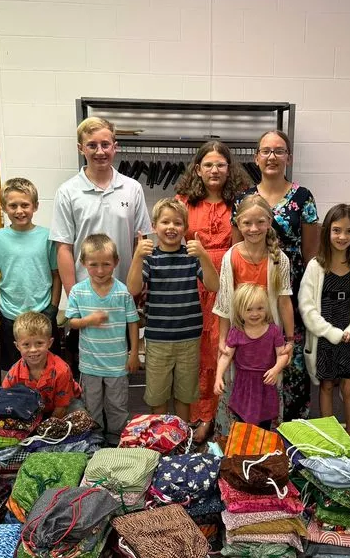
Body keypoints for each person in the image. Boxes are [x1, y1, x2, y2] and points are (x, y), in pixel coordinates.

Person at [51, 117, 151, 373]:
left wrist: (141, 285)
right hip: (87, 294)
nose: (99, 151)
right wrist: (75, 293)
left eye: (105, 144)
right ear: (80, 148)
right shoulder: (68, 191)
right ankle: (91, 412)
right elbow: (63, 247)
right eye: (92, 145)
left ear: (115, 147)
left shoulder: (133, 188)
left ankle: (121, 413)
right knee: (90, 365)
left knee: (123, 363)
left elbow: (142, 242)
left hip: (124, 293)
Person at [233, 130, 318, 423]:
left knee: (288, 361)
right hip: (251, 296)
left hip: (288, 294)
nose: (272, 157)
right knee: (253, 361)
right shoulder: (243, 198)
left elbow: (310, 255)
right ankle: (255, 426)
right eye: (266, 151)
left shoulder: (303, 197)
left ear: (288, 158)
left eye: (278, 151)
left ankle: (291, 429)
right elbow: (237, 251)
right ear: (256, 157)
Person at [175, 140, 252, 443]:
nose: (214, 170)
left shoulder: (240, 202)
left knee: (222, 349)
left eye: (221, 164)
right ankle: (198, 416)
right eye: (208, 164)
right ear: (198, 169)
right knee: (196, 352)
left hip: (230, 281)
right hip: (193, 284)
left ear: (229, 169)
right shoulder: (183, 202)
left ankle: (220, 417)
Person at [126, 198, 219, 421]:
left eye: (177, 223)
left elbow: (214, 286)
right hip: (158, 340)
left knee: (184, 396)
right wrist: (138, 256)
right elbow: (132, 288)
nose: (171, 227)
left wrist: (204, 255)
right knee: (157, 397)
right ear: (155, 227)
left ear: (185, 228)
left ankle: (182, 440)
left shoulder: (191, 257)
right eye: (165, 222)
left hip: (189, 339)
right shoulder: (150, 259)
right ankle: (162, 438)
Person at [213, 194, 293, 437]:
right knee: (237, 388)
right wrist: (222, 340)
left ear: (269, 222)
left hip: (269, 339)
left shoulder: (279, 259)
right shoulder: (231, 257)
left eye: (260, 222)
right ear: (238, 224)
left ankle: (266, 440)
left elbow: (284, 301)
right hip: (240, 338)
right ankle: (235, 441)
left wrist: (290, 339)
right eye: (247, 223)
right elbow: (225, 302)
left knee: (268, 386)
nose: (253, 228)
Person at [299, 205, 350, 435]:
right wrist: (330, 332)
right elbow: (307, 307)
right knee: (326, 385)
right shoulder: (316, 266)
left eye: (349, 231)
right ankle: (329, 434)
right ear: (327, 232)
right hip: (325, 337)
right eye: (336, 230)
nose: (342, 236)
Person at [64, 234, 140, 443]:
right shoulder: (78, 292)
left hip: (117, 364)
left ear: (116, 262)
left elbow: (133, 322)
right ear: (83, 263)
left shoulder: (122, 292)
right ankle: (94, 440)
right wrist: (89, 320)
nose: (100, 270)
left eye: (106, 264)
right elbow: (71, 322)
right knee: (92, 405)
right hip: (90, 365)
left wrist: (134, 354)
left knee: (117, 405)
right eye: (93, 265)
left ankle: (117, 439)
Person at [0, 178, 60, 372]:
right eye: (13, 205)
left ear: (35, 206)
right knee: (15, 369)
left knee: (46, 368)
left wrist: (53, 307)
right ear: (4, 207)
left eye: (25, 205)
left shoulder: (47, 236)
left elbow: (56, 275)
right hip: (10, 313)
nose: (19, 211)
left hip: (42, 311)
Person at [214, 283, 291, 430]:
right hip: (243, 385)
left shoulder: (274, 331)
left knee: (264, 427)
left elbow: (283, 355)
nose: (255, 314)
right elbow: (226, 356)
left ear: (266, 308)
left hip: (265, 384)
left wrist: (276, 369)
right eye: (249, 309)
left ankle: (261, 451)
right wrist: (218, 378)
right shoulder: (236, 332)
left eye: (260, 308)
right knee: (243, 425)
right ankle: (245, 451)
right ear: (239, 311)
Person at [1, 311, 80, 419]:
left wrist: (43, 430)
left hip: (66, 405)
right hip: (34, 409)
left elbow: (61, 408)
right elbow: (4, 398)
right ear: (17, 346)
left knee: (81, 419)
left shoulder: (62, 370)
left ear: (49, 343)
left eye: (39, 343)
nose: (33, 350)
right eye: (26, 345)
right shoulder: (15, 372)